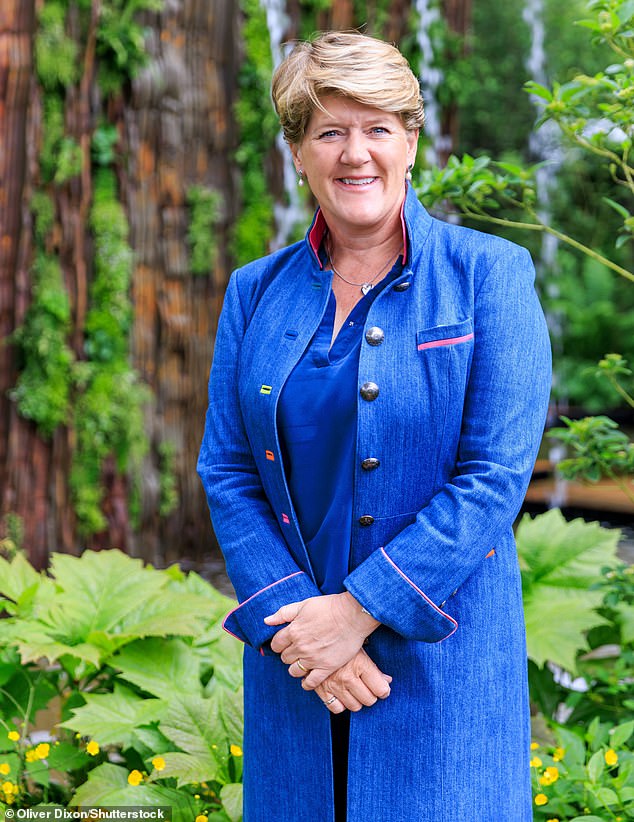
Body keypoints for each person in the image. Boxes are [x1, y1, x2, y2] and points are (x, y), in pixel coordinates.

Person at [197, 31, 551, 822]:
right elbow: (225, 467)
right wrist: (299, 627)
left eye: (378, 128)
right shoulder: (253, 293)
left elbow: (494, 476)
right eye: (329, 131)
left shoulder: (488, 274)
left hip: (440, 666)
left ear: (412, 140)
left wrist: (356, 613)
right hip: (298, 669)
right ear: (297, 151)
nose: (355, 154)